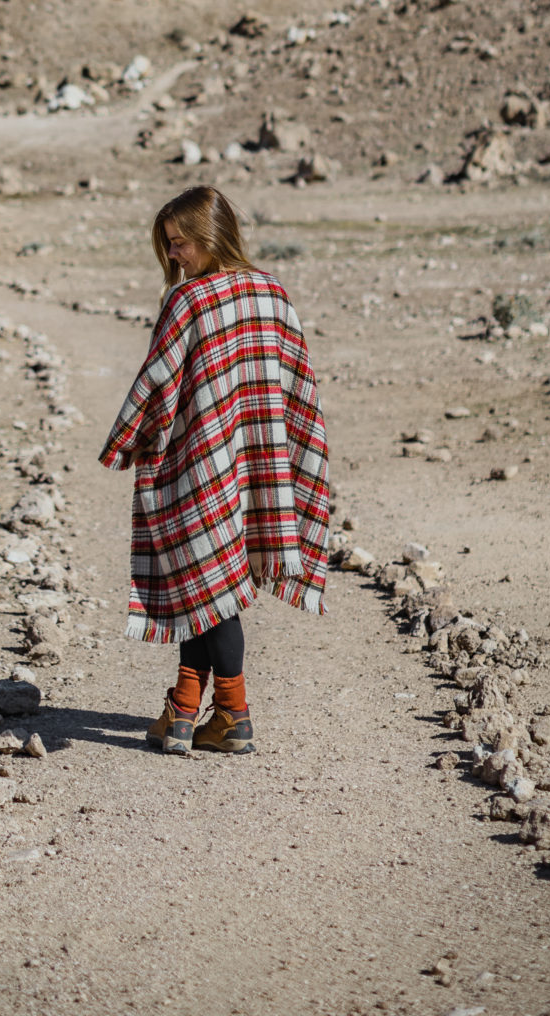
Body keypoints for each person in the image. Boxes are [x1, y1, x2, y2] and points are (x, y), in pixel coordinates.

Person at [99, 186, 330, 756]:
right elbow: (297, 378)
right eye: (170, 245)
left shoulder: (191, 301)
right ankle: (181, 711)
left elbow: (157, 379)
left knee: (211, 584)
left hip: (201, 463)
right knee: (209, 583)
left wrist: (124, 440)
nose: (174, 255)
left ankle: (232, 712)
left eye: (180, 244)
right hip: (260, 463)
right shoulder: (272, 292)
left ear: (209, 237)